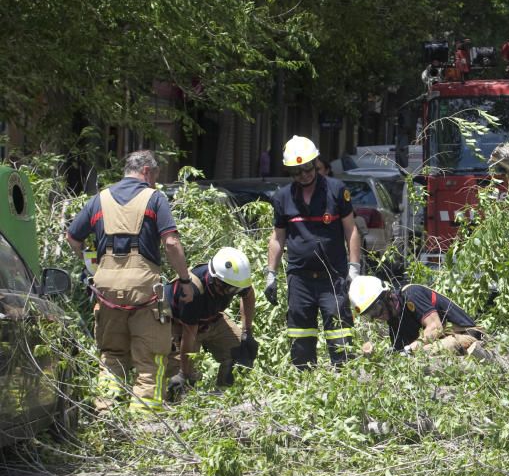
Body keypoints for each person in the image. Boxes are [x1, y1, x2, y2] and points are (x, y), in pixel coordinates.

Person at [66, 150, 194, 413]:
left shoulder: (99, 199)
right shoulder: (154, 198)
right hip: (144, 292)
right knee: (150, 361)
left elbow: (73, 238)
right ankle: (143, 429)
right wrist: (184, 279)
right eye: (155, 177)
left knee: (111, 356)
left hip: (107, 291)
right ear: (147, 172)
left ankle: (106, 419)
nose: (155, 183)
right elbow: (170, 242)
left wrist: (93, 266)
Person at [265, 135, 363, 369]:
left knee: (339, 331)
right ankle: (304, 381)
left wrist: (354, 268)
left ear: (315, 164)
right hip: (300, 278)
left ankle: (343, 376)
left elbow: (351, 230)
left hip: (333, 276)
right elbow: (278, 238)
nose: (304, 175)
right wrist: (271, 274)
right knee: (300, 335)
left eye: (307, 169)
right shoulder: (282, 197)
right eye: (297, 172)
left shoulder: (336, 190)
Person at [165, 247, 258, 397]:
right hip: (180, 325)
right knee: (177, 377)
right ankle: (178, 404)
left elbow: (248, 294)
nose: (234, 293)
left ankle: (225, 395)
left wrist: (247, 332)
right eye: (231, 290)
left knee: (241, 351)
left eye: (237, 289)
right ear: (216, 280)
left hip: (210, 318)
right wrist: (184, 373)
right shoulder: (192, 291)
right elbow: (190, 334)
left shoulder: (233, 281)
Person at [348, 276, 484, 355]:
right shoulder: (395, 321)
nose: (376, 317)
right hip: (444, 341)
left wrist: (410, 349)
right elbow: (401, 351)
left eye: (376, 310)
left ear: (387, 297)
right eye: (369, 315)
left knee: (424, 351)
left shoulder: (411, 294)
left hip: (468, 335)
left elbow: (436, 327)